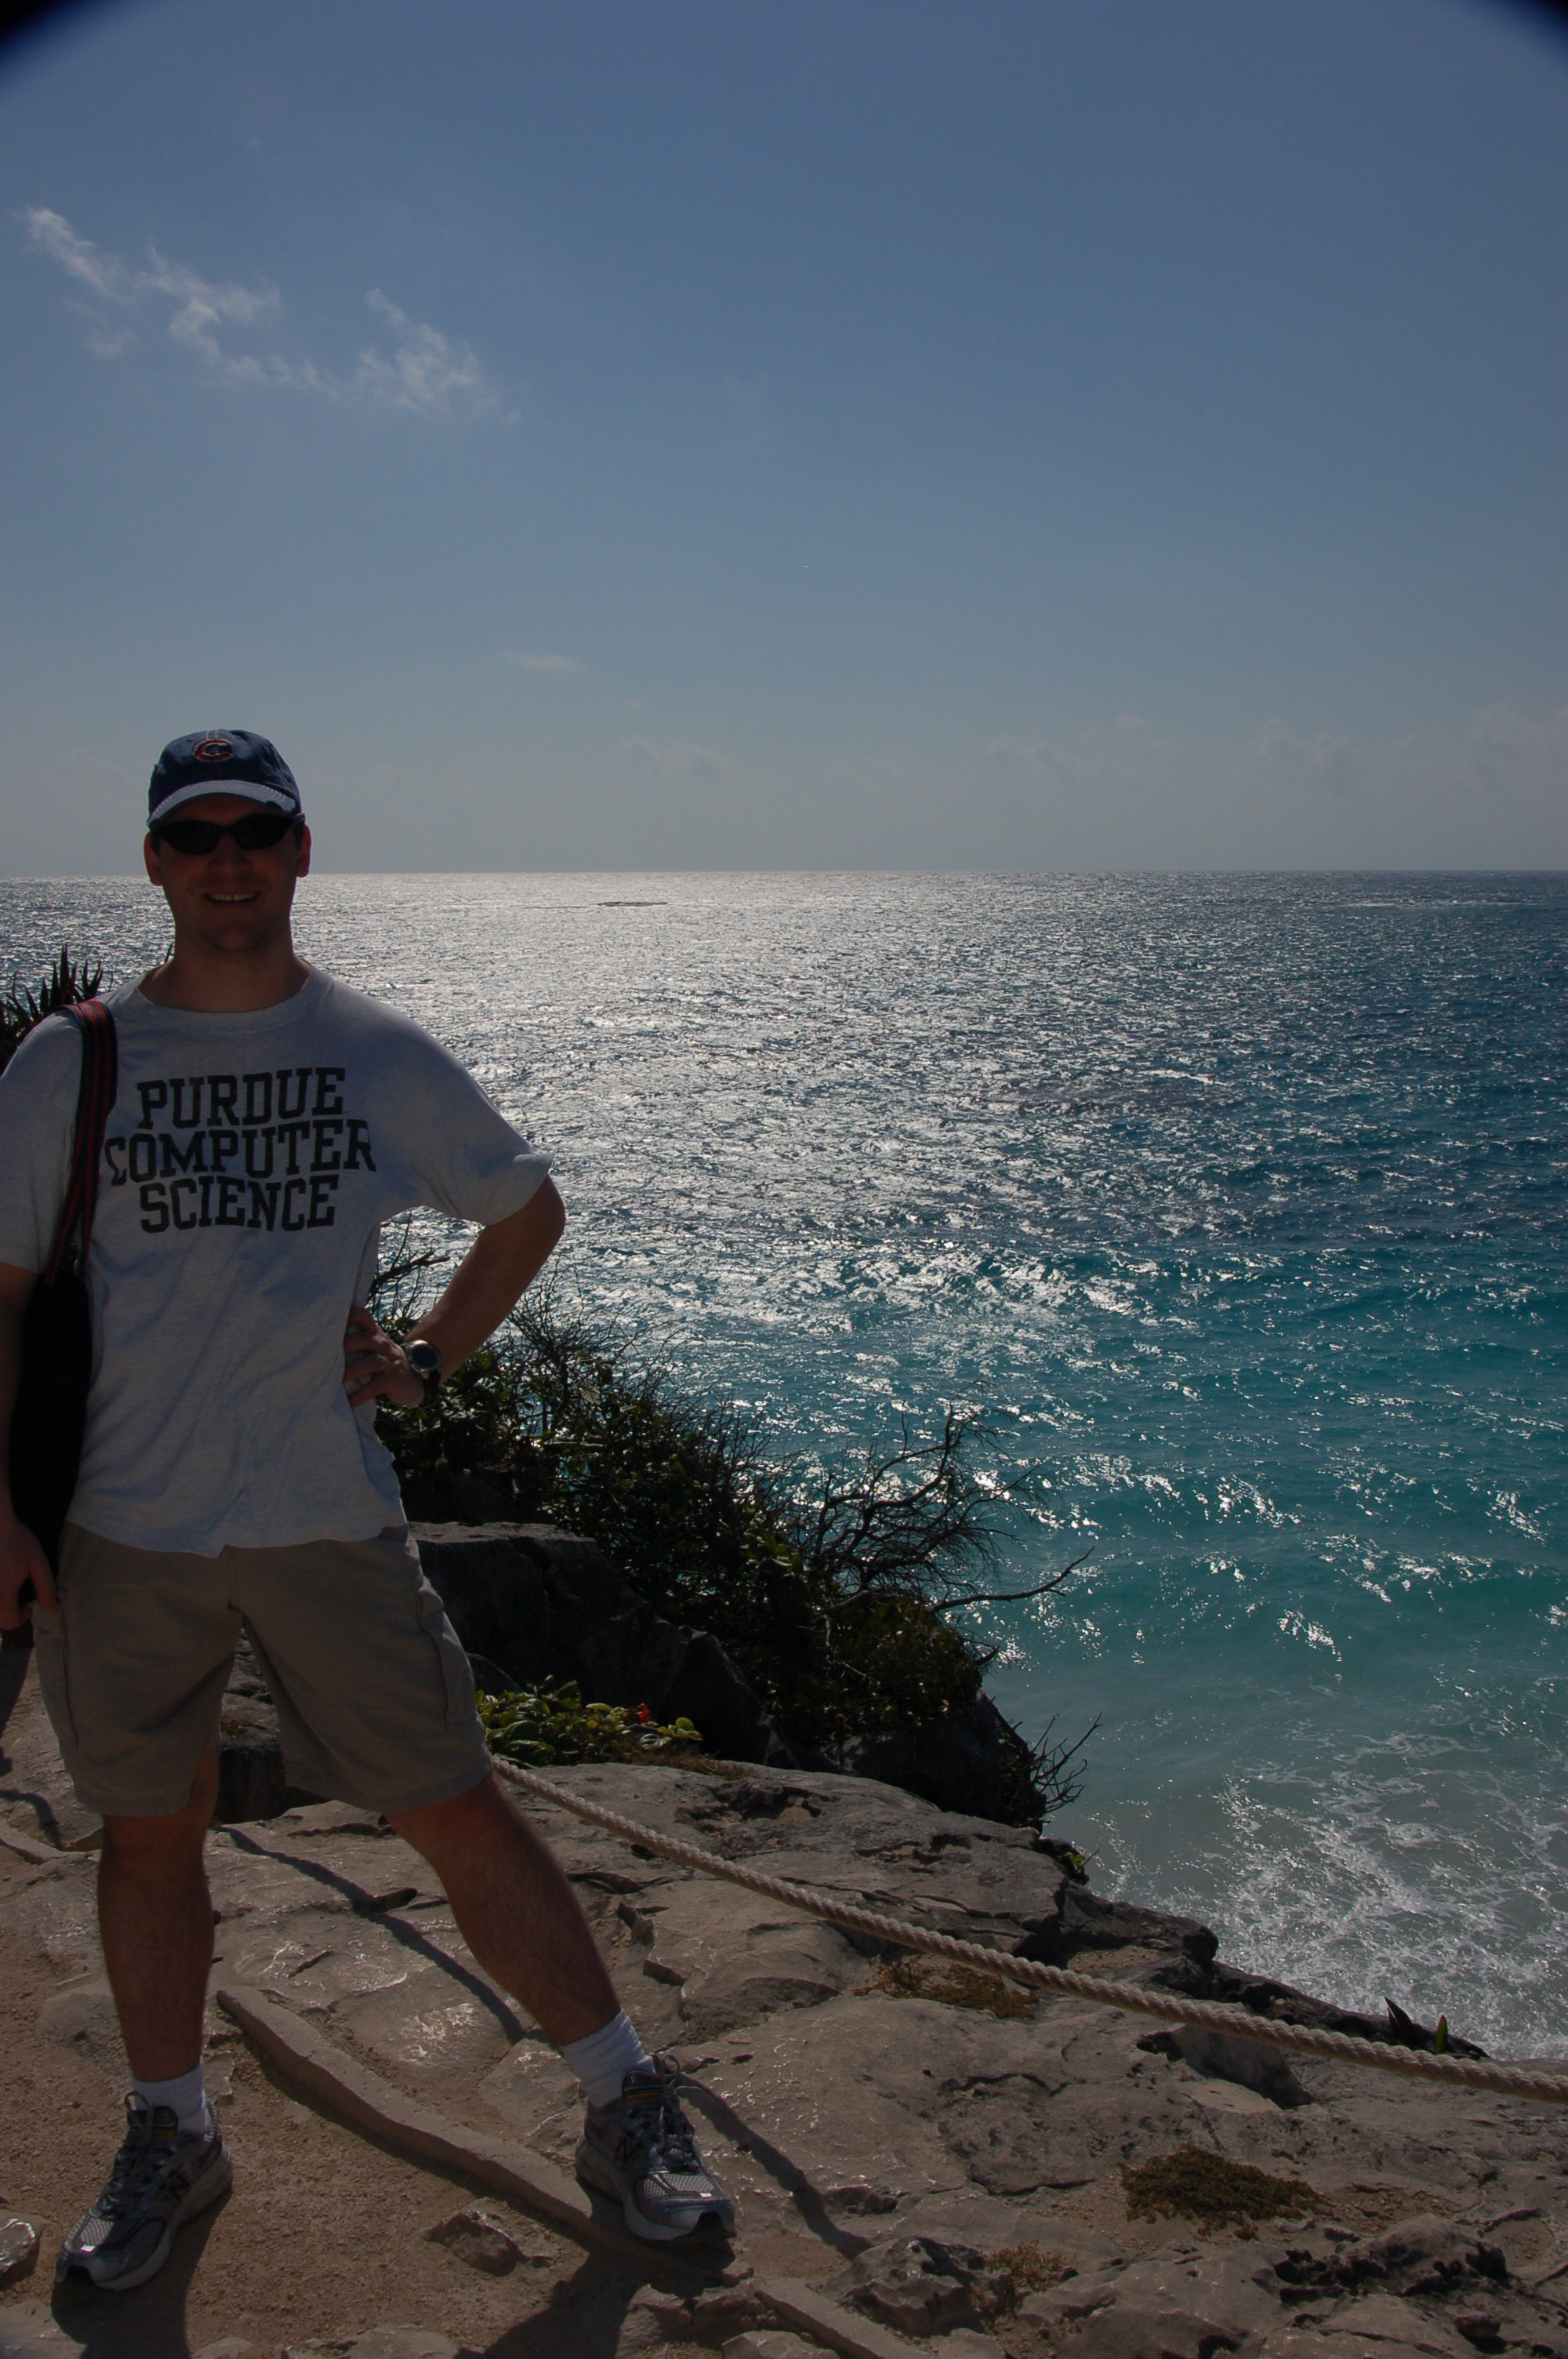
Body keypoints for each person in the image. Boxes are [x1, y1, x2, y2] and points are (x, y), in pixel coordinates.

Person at [0, 728, 732, 2295]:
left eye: (253, 830)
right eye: (197, 834)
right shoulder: (69, 1063)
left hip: (325, 1513)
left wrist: (424, 1360)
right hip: (121, 1527)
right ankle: (170, 2129)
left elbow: (524, 1209)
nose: (228, 860)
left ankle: (624, 2099)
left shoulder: (371, 1052)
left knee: (454, 1802)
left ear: (300, 849)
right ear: (154, 861)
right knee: (149, 1833)